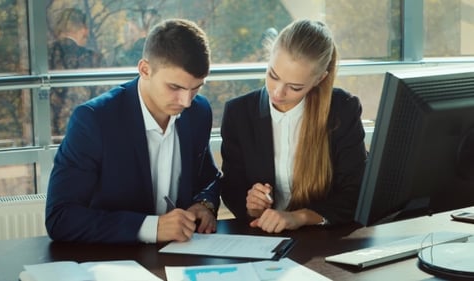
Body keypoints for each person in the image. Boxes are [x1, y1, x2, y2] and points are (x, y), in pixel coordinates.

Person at [45, 18, 221, 244]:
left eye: (195, 88)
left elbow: (209, 177)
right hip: (111, 261)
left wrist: (204, 204)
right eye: (174, 87)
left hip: (180, 257)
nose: (186, 102)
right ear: (145, 69)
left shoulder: (199, 112)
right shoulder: (94, 121)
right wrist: (152, 228)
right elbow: (60, 217)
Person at [219, 19, 367, 233]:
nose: (278, 93)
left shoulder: (342, 109)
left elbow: (356, 193)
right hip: (263, 237)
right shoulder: (238, 113)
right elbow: (232, 188)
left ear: (319, 79)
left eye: (295, 87)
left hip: (324, 238)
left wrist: (300, 217)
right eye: (273, 76)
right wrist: (251, 205)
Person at [48, 8, 105, 136]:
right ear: (84, 29)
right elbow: (104, 101)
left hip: (46, 135)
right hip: (82, 134)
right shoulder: (92, 59)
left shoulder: (42, 58)